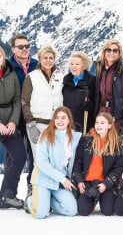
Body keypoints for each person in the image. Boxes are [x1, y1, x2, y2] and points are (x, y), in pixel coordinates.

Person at [21, 44, 63, 208]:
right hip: (37, 124)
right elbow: (24, 101)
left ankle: (51, 194)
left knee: (54, 161)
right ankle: (34, 195)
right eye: (45, 57)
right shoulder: (32, 76)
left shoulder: (60, 75)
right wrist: (30, 123)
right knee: (39, 161)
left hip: (55, 125)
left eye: (51, 58)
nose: (48, 60)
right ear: (40, 59)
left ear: (54, 59)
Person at [26, 106, 81, 218]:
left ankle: (48, 201)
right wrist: (62, 178)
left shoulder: (75, 137)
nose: (60, 120)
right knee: (41, 214)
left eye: (63, 118)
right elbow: (42, 163)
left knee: (72, 210)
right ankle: (31, 200)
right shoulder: (45, 135)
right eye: (57, 118)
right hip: (44, 179)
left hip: (60, 184)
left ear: (69, 120)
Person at [72, 112, 123, 216]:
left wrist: (106, 184)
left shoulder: (116, 143)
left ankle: (102, 197)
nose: (98, 125)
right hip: (88, 182)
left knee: (108, 211)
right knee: (83, 211)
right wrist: (79, 180)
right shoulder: (86, 139)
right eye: (97, 122)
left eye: (102, 123)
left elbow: (119, 167)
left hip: (105, 182)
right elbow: (78, 161)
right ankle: (92, 199)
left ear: (109, 125)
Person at [9, 34, 38, 198]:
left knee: (35, 154)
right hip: (13, 118)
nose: (25, 49)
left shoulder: (36, 64)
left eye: (27, 46)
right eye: (21, 47)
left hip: (32, 117)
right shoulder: (7, 65)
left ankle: (32, 189)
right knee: (13, 157)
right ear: (13, 49)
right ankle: (9, 192)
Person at [0, 47, 27, 209]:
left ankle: (7, 194)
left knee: (20, 157)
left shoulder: (11, 74)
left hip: (10, 124)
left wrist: (13, 122)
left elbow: (17, 100)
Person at [94, 39, 123, 135]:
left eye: (115, 50)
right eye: (108, 50)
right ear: (104, 52)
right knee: (101, 147)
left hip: (116, 117)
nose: (111, 53)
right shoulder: (100, 69)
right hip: (101, 116)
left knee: (114, 147)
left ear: (119, 53)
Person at [63, 51, 96, 133]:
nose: (74, 67)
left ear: (84, 66)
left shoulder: (92, 81)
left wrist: (91, 106)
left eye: (77, 64)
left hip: (85, 125)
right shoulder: (66, 81)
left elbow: (97, 101)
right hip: (68, 125)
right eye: (72, 64)